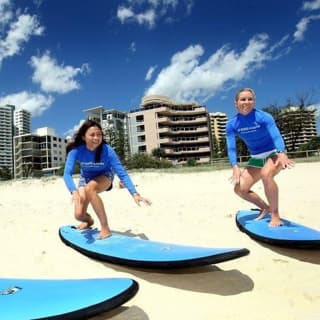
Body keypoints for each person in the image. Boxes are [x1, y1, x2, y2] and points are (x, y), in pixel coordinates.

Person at [63, 119, 151, 239]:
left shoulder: (107, 150)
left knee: (90, 188)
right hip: (86, 177)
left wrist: (134, 193)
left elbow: (122, 172)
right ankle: (89, 221)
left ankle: (105, 228)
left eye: (99, 134)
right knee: (78, 215)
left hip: (105, 175)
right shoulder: (76, 151)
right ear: (84, 137)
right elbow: (67, 174)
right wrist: (73, 191)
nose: (96, 137)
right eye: (92, 135)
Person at [226, 88, 294, 227]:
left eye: (250, 99)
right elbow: (231, 147)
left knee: (266, 174)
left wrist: (281, 152)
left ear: (254, 101)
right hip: (256, 157)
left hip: (273, 153)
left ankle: (275, 214)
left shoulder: (264, 117)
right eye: (243, 99)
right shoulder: (232, 124)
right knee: (239, 189)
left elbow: (276, 135)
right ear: (236, 103)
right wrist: (235, 167)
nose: (246, 102)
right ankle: (265, 207)